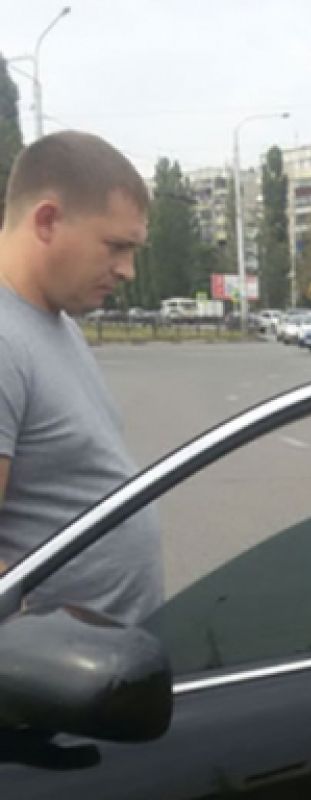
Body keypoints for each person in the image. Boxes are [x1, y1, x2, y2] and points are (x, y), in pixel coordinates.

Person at [0, 130, 163, 624]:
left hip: (105, 674)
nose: (128, 270)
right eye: (116, 246)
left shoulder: (56, 323)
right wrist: (46, 660)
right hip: (56, 688)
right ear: (47, 221)